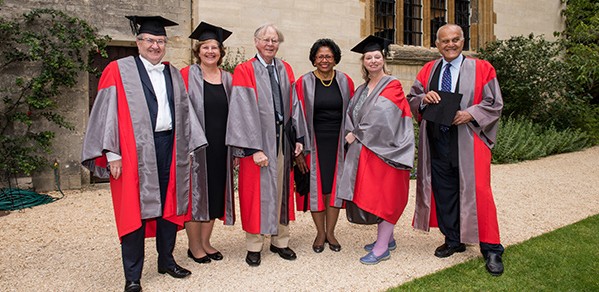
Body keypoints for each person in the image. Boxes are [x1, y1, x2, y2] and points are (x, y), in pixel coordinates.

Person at [81, 16, 206, 292]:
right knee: (133, 211)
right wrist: (112, 153)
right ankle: (133, 275)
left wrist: (191, 146)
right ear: (138, 43)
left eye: (160, 41)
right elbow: (106, 114)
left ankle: (166, 260)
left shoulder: (172, 72)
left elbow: (185, 112)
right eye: (150, 40)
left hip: (170, 146)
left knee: (169, 205)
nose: (155, 46)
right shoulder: (118, 70)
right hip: (132, 152)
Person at [407, 23, 505, 276]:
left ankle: (491, 247)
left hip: (469, 139)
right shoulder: (428, 69)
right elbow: (413, 99)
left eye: (455, 40)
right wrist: (423, 99)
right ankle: (453, 239)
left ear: (463, 41)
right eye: (444, 41)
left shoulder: (482, 68)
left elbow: (494, 102)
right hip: (437, 139)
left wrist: (469, 114)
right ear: (437, 45)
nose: (450, 44)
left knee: (479, 192)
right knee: (445, 190)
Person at [225, 23, 307, 267]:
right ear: (256, 42)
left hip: (282, 140)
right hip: (257, 144)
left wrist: (299, 138)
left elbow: (295, 105)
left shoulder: (285, 68)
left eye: (274, 40)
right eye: (266, 39)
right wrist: (254, 149)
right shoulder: (244, 70)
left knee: (281, 190)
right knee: (255, 194)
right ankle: (254, 245)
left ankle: (280, 240)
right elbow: (241, 111)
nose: (270, 44)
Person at [338, 35, 415, 265]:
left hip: (387, 151)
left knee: (386, 198)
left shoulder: (393, 85)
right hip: (367, 152)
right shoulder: (362, 89)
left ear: (384, 59)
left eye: (377, 57)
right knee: (377, 195)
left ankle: (382, 248)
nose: (373, 61)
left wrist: (356, 134)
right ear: (363, 62)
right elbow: (351, 115)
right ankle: (387, 239)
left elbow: (383, 117)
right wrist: (351, 131)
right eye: (368, 57)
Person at [180, 22, 235, 264]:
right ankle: (194, 246)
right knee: (196, 195)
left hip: (221, 145)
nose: (210, 51)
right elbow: (180, 112)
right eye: (205, 47)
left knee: (214, 193)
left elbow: (237, 113)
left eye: (214, 47)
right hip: (194, 146)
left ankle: (206, 241)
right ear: (198, 51)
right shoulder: (186, 76)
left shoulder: (229, 79)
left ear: (221, 52)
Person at [293, 38, 354, 253]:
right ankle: (320, 232)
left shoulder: (346, 81)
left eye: (328, 56)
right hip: (313, 143)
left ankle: (331, 232)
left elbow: (353, 112)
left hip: (338, 143)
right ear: (313, 59)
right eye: (320, 56)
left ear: (335, 58)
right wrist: (298, 146)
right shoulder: (303, 82)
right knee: (316, 189)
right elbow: (296, 114)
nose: (324, 60)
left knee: (334, 187)